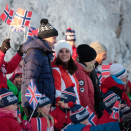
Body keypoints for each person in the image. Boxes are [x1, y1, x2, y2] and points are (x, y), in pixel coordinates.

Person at [21, 18, 58, 120]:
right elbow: (30, 81)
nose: (55, 41)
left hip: (43, 104)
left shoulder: (43, 53)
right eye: (54, 38)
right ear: (45, 38)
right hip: (37, 106)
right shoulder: (35, 54)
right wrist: (33, 106)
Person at [66, 102, 131, 131]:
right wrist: (121, 126)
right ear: (81, 119)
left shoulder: (68, 128)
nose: (88, 119)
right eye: (87, 117)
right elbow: (104, 128)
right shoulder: (87, 129)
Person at [51, 40, 80, 104]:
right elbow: (57, 93)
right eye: (61, 51)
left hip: (74, 109)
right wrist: (64, 107)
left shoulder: (71, 69)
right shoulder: (56, 70)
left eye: (67, 51)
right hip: (65, 110)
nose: (64, 54)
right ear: (57, 54)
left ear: (70, 53)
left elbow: (76, 91)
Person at [75, 44, 97, 114]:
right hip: (88, 114)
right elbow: (84, 99)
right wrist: (92, 114)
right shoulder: (80, 74)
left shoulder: (85, 72)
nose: (95, 61)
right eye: (93, 59)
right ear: (88, 60)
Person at [89, 42, 107, 117]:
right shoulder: (90, 71)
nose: (106, 58)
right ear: (96, 54)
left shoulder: (94, 69)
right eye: (104, 55)